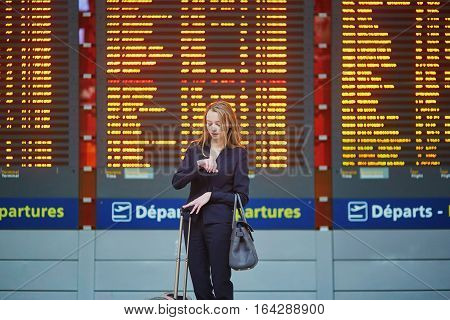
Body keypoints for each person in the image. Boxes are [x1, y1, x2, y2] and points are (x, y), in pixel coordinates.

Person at [171, 100, 250, 300]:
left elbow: (242, 197)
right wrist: (197, 166)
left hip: (220, 224)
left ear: (228, 123)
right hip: (193, 223)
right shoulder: (195, 149)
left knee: (221, 279)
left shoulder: (238, 154)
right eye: (209, 123)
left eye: (218, 123)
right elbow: (177, 182)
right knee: (199, 282)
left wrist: (211, 196)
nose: (213, 128)